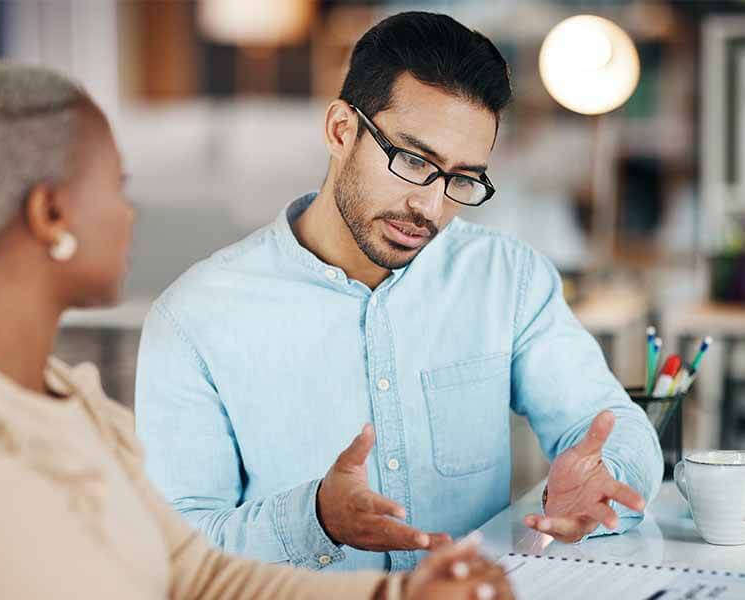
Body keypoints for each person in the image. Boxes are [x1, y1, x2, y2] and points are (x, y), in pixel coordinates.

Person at [0, 61, 512, 600]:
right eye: (116, 185)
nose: (130, 213)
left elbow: (195, 573)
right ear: (51, 214)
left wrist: (399, 596)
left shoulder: (63, 400)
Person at [136, 10, 663, 574]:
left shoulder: (507, 279)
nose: (431, 208)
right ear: (341, 130)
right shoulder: (194, 318)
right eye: (413, 161)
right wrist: (314, 519)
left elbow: (605, 421)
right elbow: (179, 549)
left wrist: (605, 479)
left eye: (462, 178)